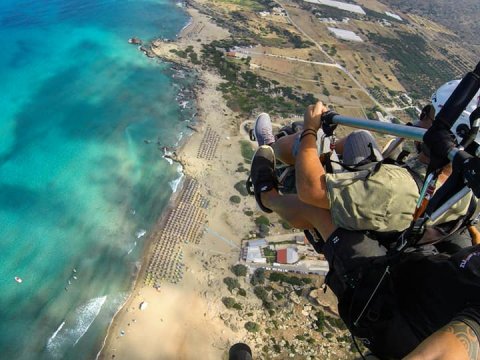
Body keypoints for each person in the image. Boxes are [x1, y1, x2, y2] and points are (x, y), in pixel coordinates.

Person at [248, 102, 480, 359]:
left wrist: (311, 130)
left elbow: (312, 189)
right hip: (412, 252)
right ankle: (282, 148)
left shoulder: (400, 186)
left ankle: (267, 194)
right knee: (359, 140)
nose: (420, 117)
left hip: (385, 287)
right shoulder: (465, 192)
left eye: (428, 114)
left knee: (316, 208)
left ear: (453, 134)